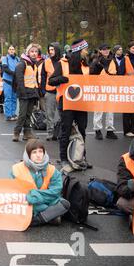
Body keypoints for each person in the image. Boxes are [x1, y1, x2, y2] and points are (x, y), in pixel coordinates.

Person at [49, 39, 92, 171]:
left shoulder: (85, 64)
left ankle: (80, 157)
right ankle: (63, 159)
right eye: (85, 49)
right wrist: (61, 79)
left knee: (83, 130)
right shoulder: (62, 63)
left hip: (82, 101)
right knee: (66, 130)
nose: (87, 52)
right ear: (79, 50)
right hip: (66, 102)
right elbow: (51, 81)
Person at [10, 140, 70, 226]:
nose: (38, 155)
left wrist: (35, 195)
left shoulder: (52, 169)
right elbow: (13, 191)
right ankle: (48, 217)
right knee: (14, 205)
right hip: (27, 202)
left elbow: (55, 191)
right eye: (34, 152)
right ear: (28, 155)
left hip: (45, 201)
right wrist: (30, 199)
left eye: (40, 151)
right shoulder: (16, 169)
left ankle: (35, 220)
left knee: (64, 204)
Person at [90, 44, 118, 140]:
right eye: (104, 49)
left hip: (111, 88)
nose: (106, 51)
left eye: (107, 49)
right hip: (100, 89)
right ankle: (97, 130)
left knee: (110, 110)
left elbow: (118, 74)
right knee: (99, 110)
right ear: (100, 51)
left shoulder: (113, 61)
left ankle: (110, 130)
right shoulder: (96, 61)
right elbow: (92, 75)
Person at [13, 44, 40, 142]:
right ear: (28, 53)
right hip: (24, 93)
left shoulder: (34, 64)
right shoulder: (22, 64)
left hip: (32, 92)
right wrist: (23, 93)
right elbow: (19, 80)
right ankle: (16, 132)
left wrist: (37, 92)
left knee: (28, 114)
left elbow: (34, 79)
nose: (34, 53)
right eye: (32, 51)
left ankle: (27, 133)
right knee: (22, 114)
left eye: (36, 52)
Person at [40, 43, 61, 141]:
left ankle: (61, 132)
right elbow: (43, 76)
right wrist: (43, 90)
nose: (51, 51)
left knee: (63, 114)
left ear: (57, 50)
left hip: (61, 91)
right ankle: (50, 133)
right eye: (49, 50)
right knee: (49, 114)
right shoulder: (46, 62)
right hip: (50, 91)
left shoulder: (63, 61)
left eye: (53, 49)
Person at [1, 46, 20, 121]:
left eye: (13, 49)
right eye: (10, 49)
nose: (12, 51)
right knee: (8, 98)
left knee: (14, 98)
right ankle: (8, 115)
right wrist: (14, 73)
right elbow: (5, 69)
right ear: (8, 51)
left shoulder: (17, 59)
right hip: (7, 81)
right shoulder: (5, 58)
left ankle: (13, 113)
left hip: (15, 82)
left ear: (14, 50)